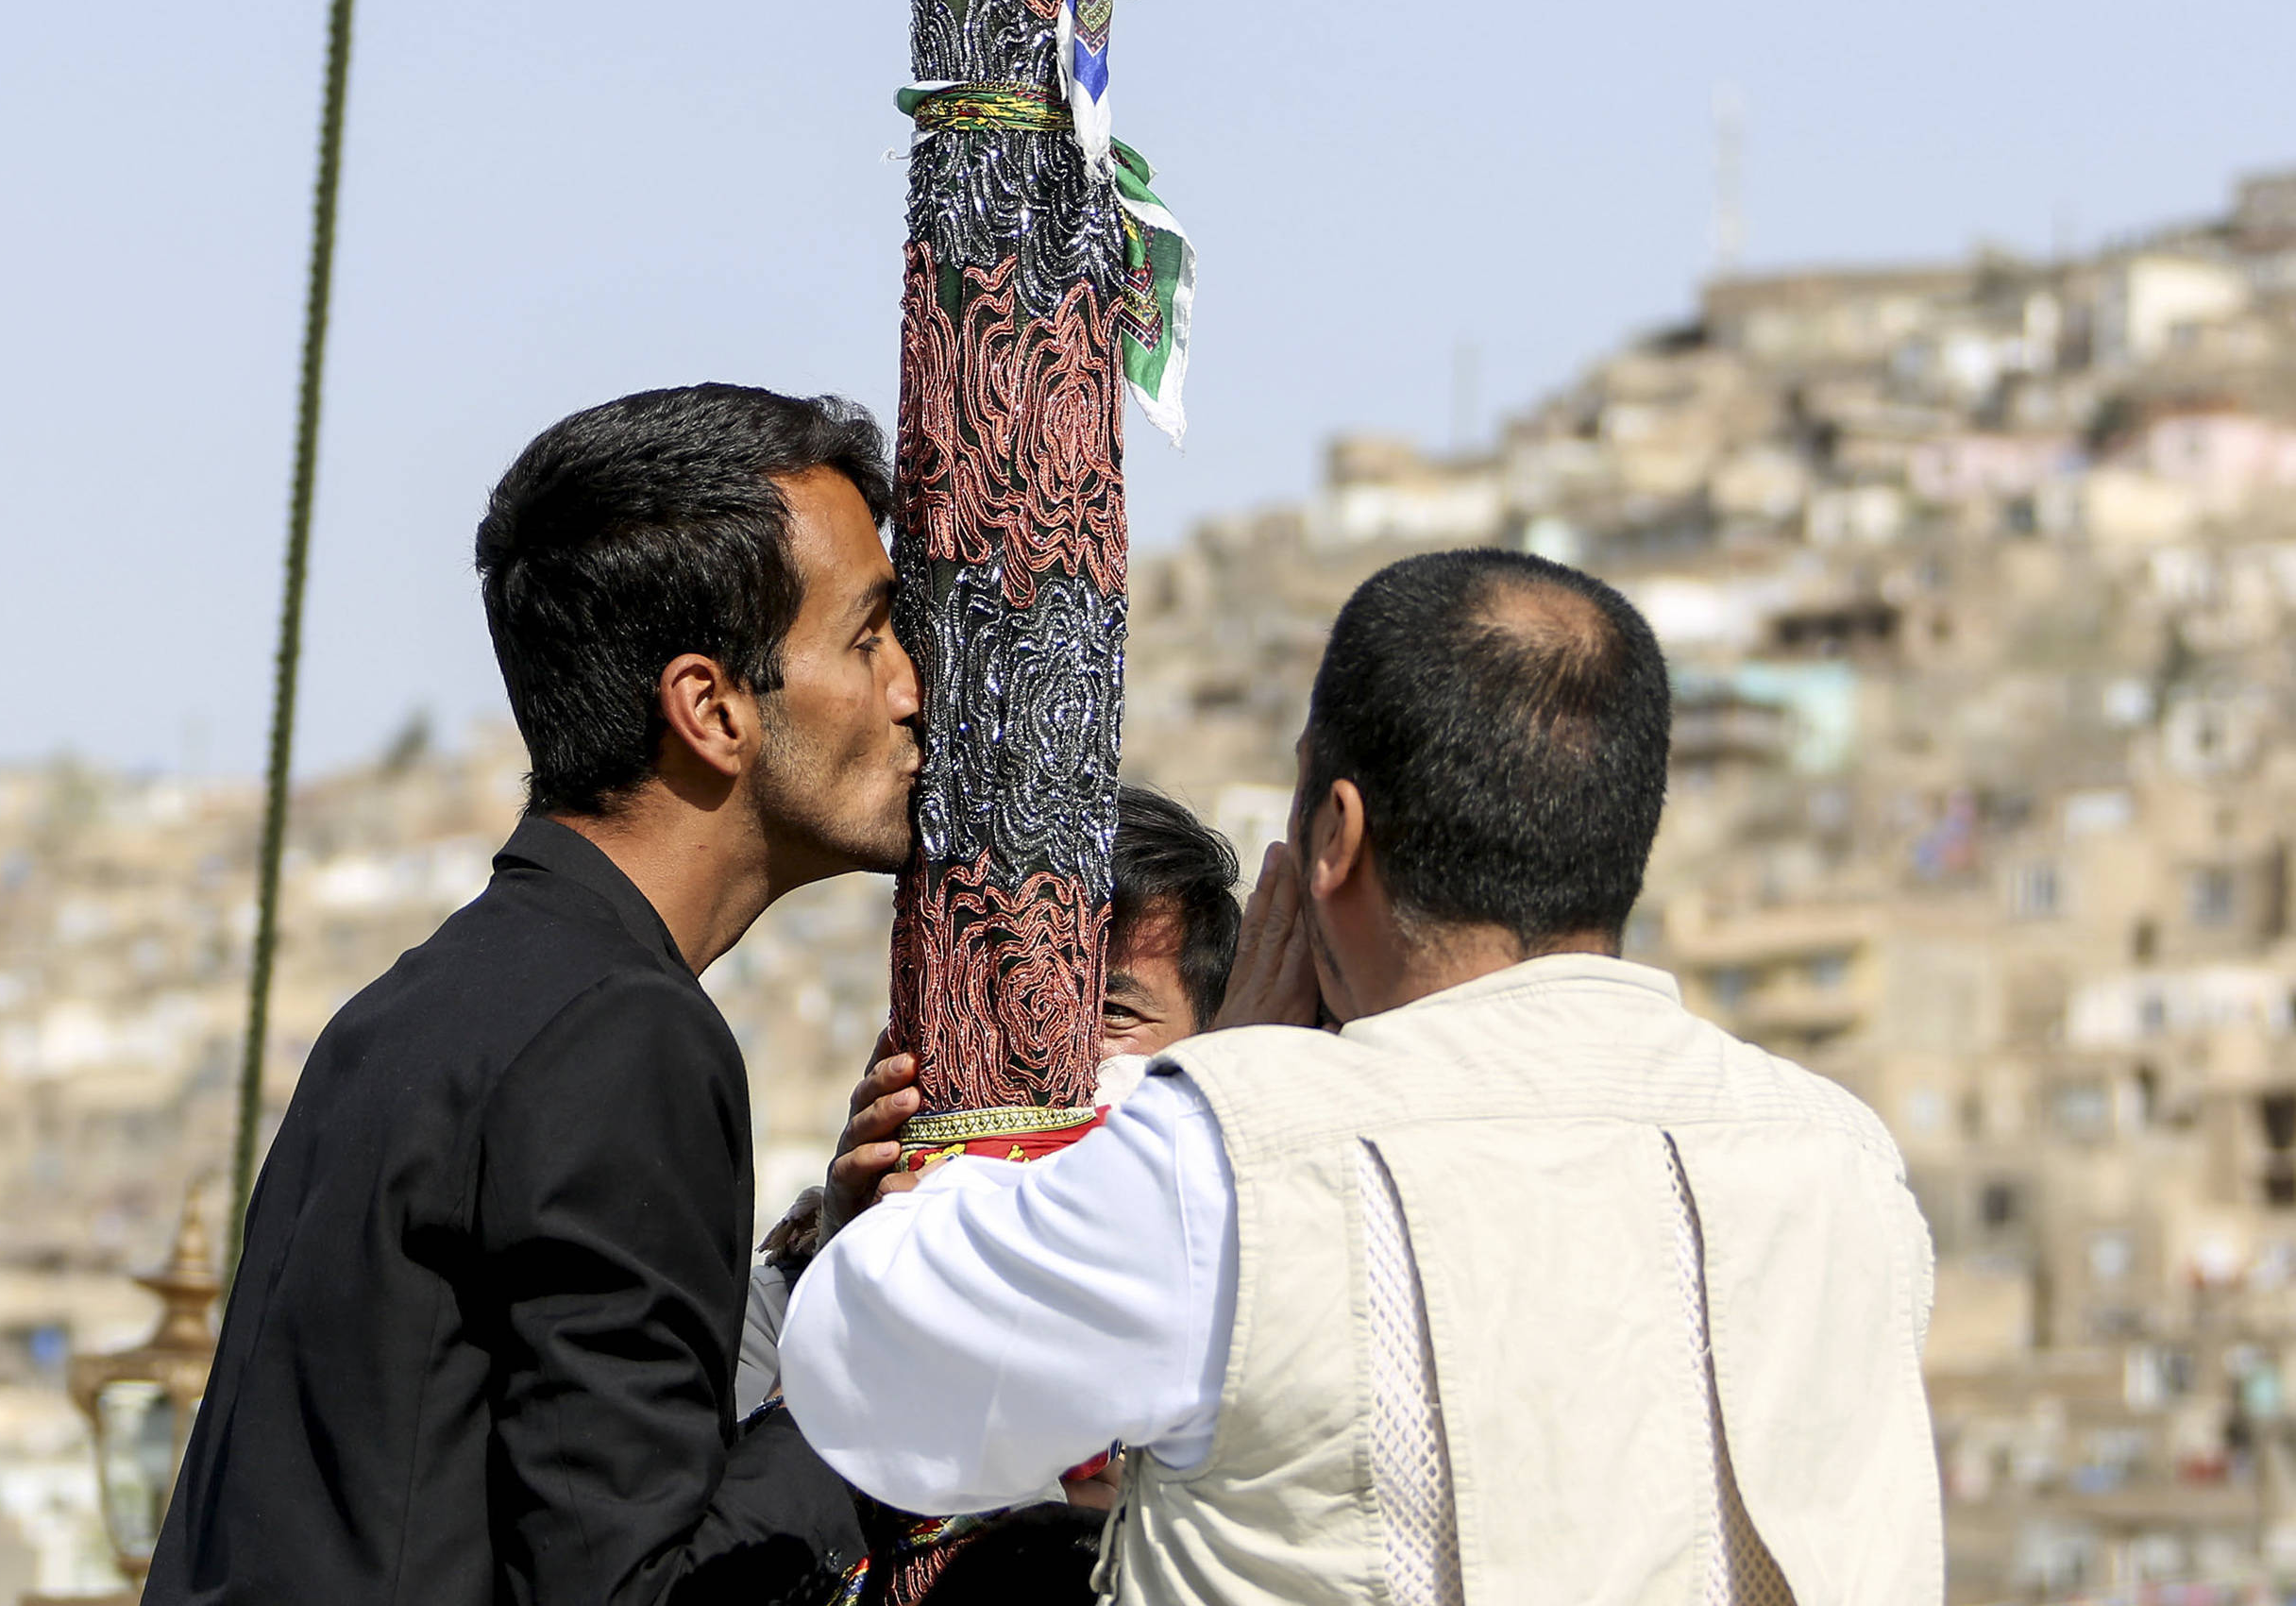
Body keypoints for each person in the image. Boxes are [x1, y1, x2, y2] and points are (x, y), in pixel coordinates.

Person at [781, 548, 1943, 1604]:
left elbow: (863, 1368)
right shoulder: (1842, 1161)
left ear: (1333, 834)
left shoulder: (1241, 1159)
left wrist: (1201, 1079)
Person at [145, 385, 920, 1606]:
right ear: (709, 709)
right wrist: (870, 1344)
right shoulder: (623, 1039)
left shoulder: (413, 1014)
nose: (909, 687)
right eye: (869, 635)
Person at [734, 783, 1243, 1420]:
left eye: (1111, 1014)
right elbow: (748, 1511)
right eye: (1003, 1006)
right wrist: (852, 1285)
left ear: (1210, 1045)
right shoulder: (777, 1314)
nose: (1046, 1051)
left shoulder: (1247, 1320)